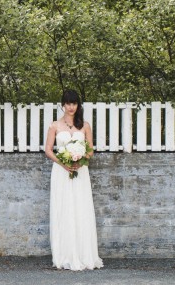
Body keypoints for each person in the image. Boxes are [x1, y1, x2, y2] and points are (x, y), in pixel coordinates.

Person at [44, 89, 103, 270]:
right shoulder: (54, 125)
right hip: (61, 172)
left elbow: (91, 150)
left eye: (74, 103)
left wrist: (80, 158)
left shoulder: (84, 125)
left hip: (80, 171)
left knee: (80, 208)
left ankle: (85, 254)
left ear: (78, 105)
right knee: (64, 208)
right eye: (68, 103)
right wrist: (63, 163)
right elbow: (48, 150)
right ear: (63, 105)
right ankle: (64, 254)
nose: (71, 107)